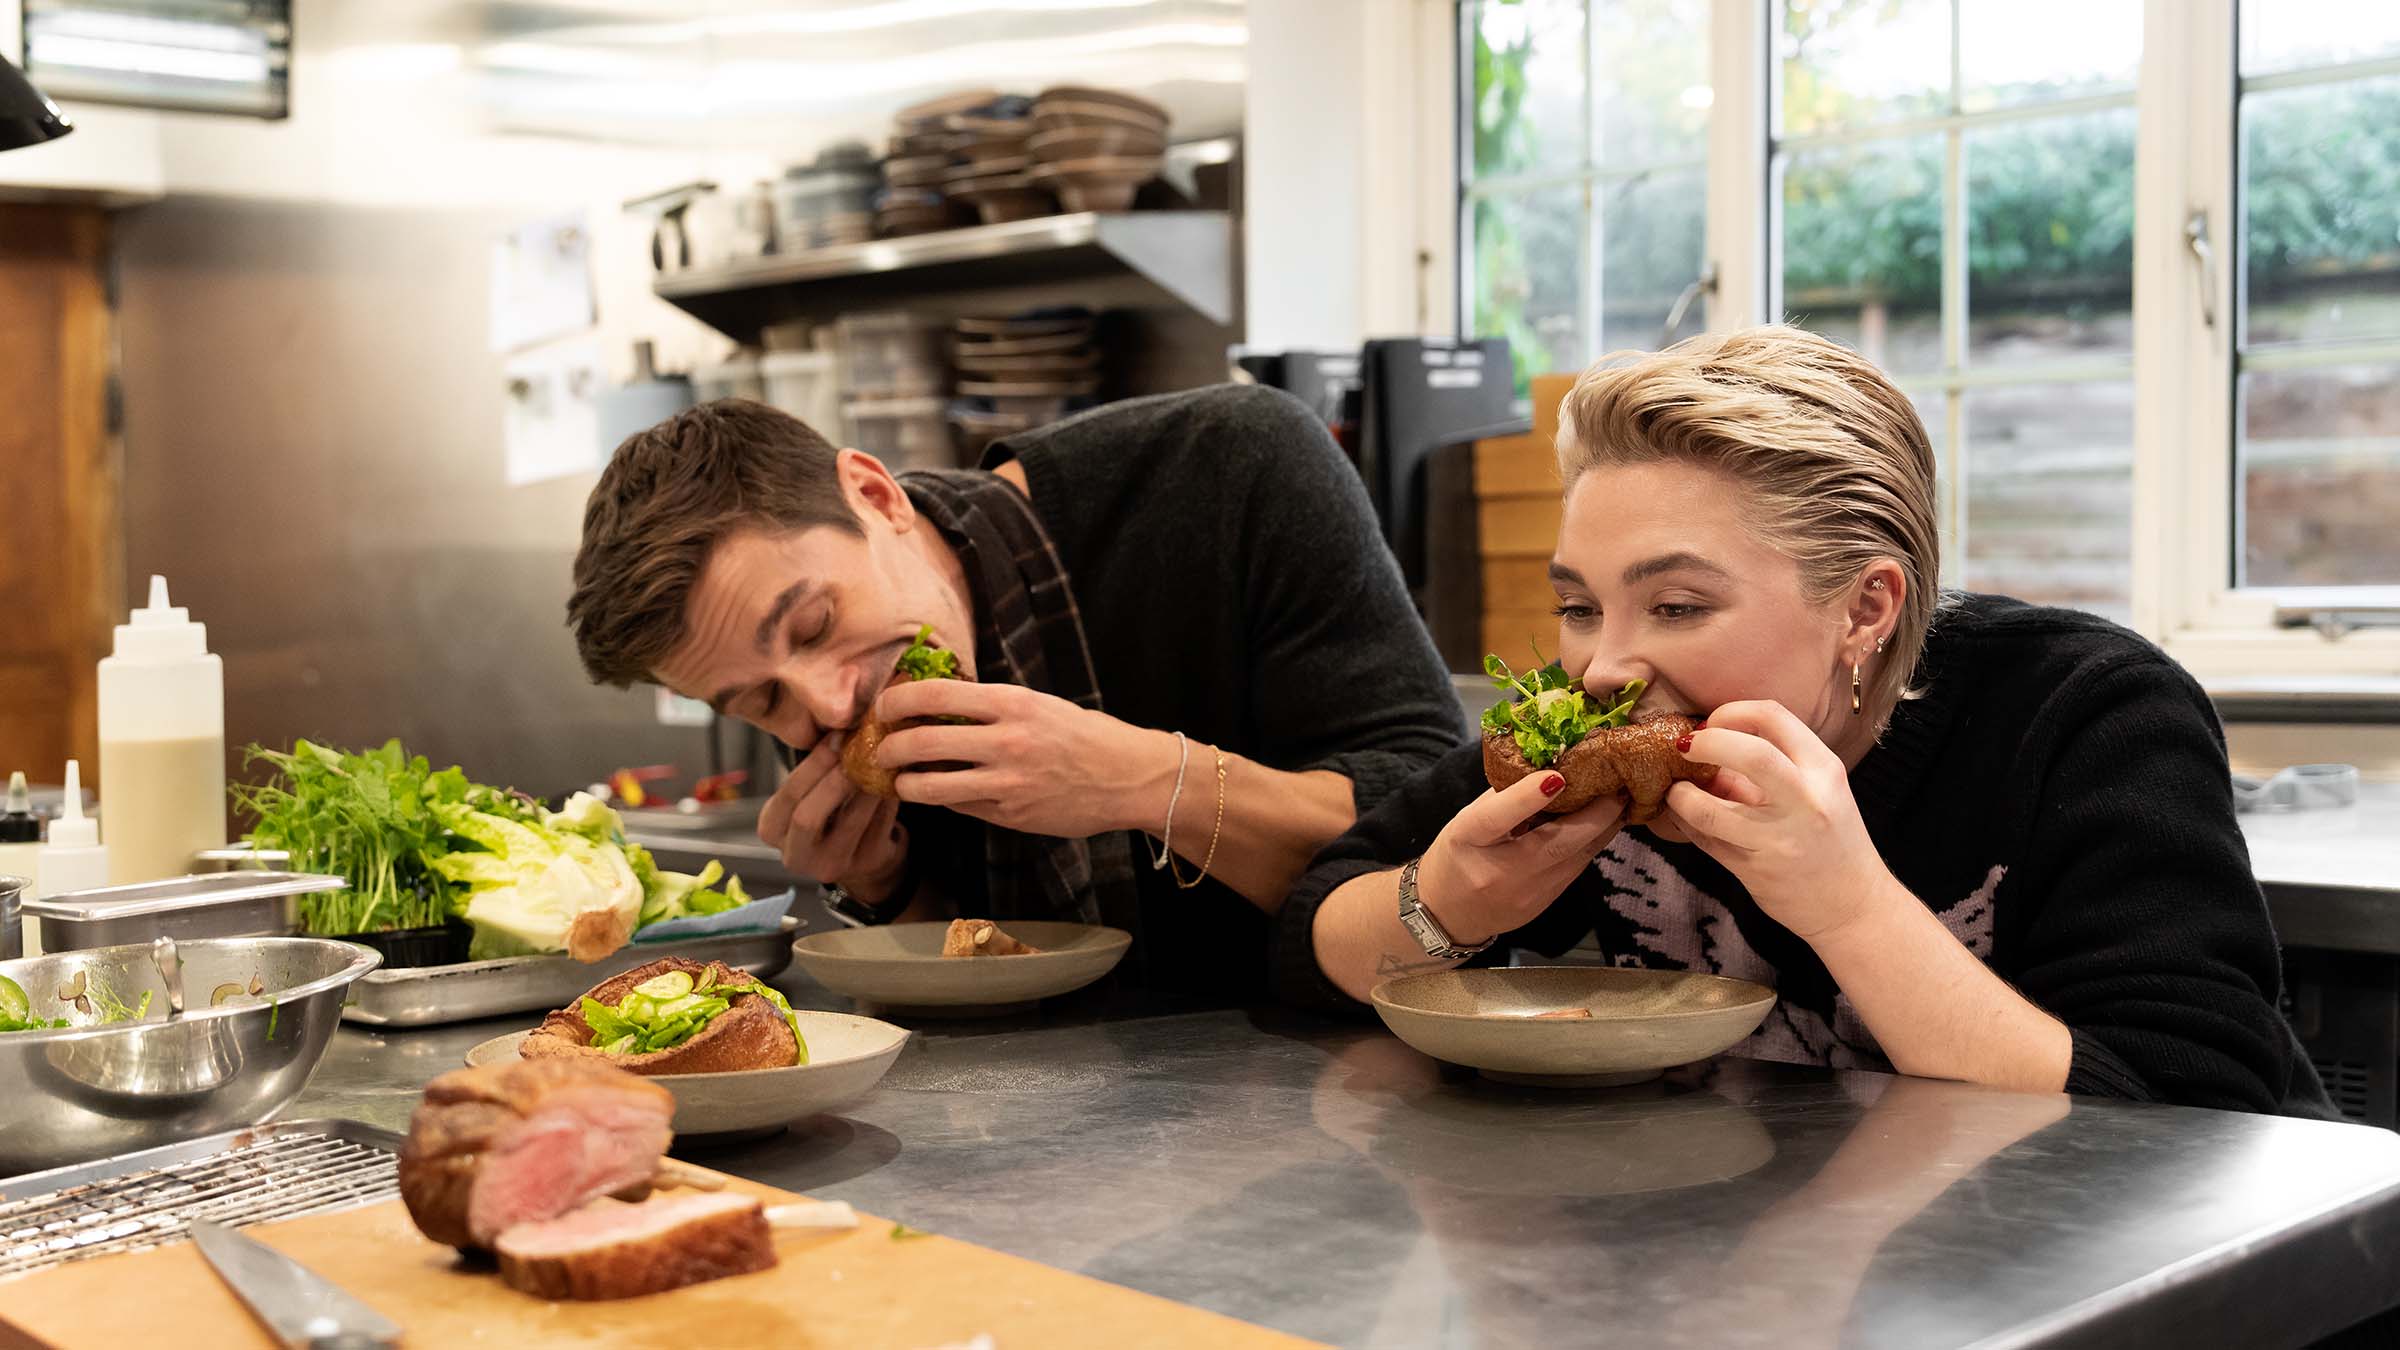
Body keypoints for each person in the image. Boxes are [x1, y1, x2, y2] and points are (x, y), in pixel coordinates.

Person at [1276, 325, 2327, 1114]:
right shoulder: (1591, 735)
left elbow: (2202, 1110)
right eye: (1579, 606)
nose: (1602, 667)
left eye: (1678, 606)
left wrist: (1850, 906)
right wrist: (1446, 904)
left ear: (1866, 607)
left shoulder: (2086, 715)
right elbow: (1307, 932)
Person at [568, 388, 1464, 1002]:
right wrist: (887, 885)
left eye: (811, 626)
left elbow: (1448, 823)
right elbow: (995, 977)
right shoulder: (823, 692)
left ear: (874, 495)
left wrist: (1149, 781)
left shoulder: (1236, 464)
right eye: (759, 701)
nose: (831, 709)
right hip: (1050, 1148)